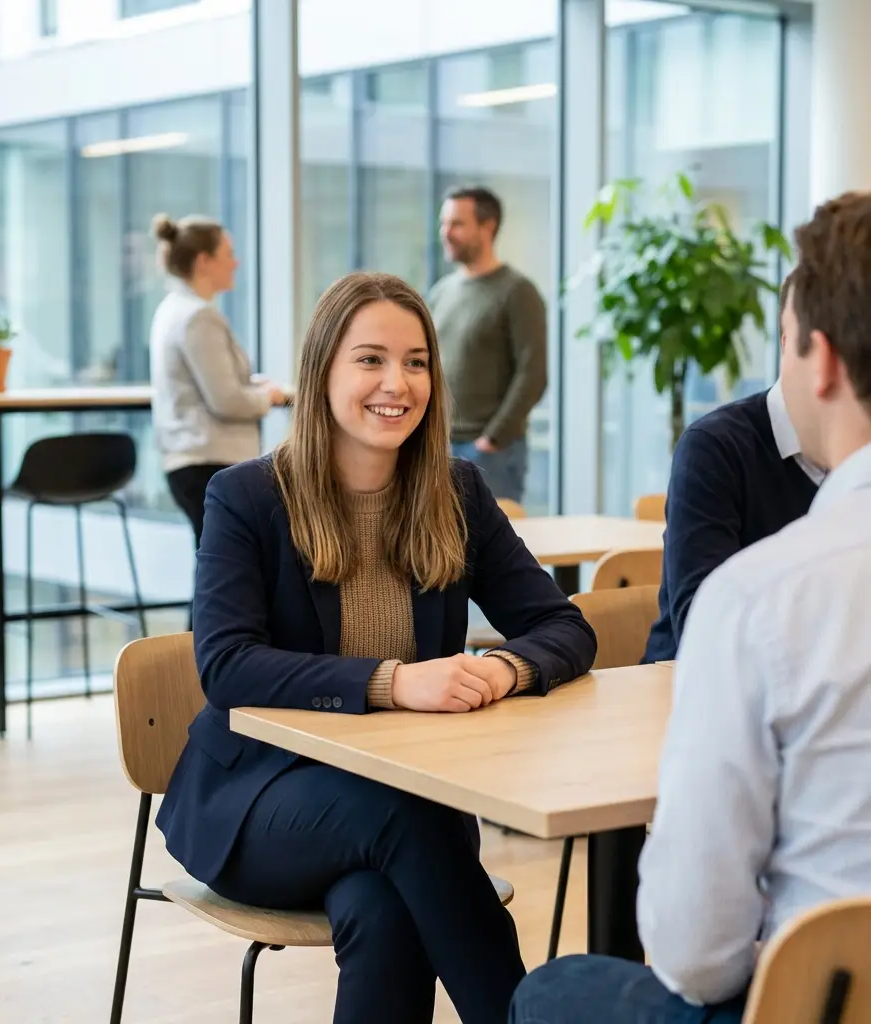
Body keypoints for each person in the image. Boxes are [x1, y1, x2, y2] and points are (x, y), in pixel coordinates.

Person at [156, 270, 597, 1024]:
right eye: (370, 359)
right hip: (261, 802)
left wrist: (501, 668)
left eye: (417, 361)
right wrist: (396, 682)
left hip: (404, 822)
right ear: (322, 368)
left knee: (384, 913)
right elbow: (226, 665)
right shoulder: (248, 497)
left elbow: (565, 628)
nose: (397, 382)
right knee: (406, 818)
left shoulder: (456, 492)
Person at [510, 190, 871, 1023]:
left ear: (818, 358)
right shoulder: (726, 460)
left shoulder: (764, 602)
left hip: (820, 997)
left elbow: (696, 960)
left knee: (553, 990)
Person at [644, 274, 823, 662]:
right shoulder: (714, 447)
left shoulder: (854, 456)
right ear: (789, 342)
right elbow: (703, 624)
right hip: (689, 691)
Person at [148, 213, 286, 552]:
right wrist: (268, 397)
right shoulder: (198, 316)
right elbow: (225, 400)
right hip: (207, 459)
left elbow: (205, 383)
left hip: (191, 459)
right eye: (228, 254)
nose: (236, 263)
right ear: (204, 261)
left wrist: (251, 385)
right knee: (222, 565)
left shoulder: (174, 309)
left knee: (214, 563)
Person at [429, 185, 547, 502]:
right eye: (444, 224)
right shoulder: (442, 292)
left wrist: (493, 438)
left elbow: (533, 373)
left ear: (487, 226)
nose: (445, 233)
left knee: (490, 549)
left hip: (489, 454)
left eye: (456, 224)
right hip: (439, 446)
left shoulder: (517, 292)